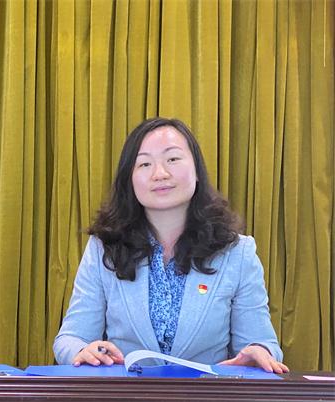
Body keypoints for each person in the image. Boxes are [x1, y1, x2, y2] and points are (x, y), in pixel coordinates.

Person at [53, 117, 288, 374]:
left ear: (197, 171)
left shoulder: (237, 253)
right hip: (125, 392)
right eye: (144, 164)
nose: (160, 174)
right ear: (130, 179)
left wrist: (259, 352)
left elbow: (262, 343)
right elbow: (70, 338)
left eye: (173, 159)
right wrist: (83, 351)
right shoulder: (104, 248)